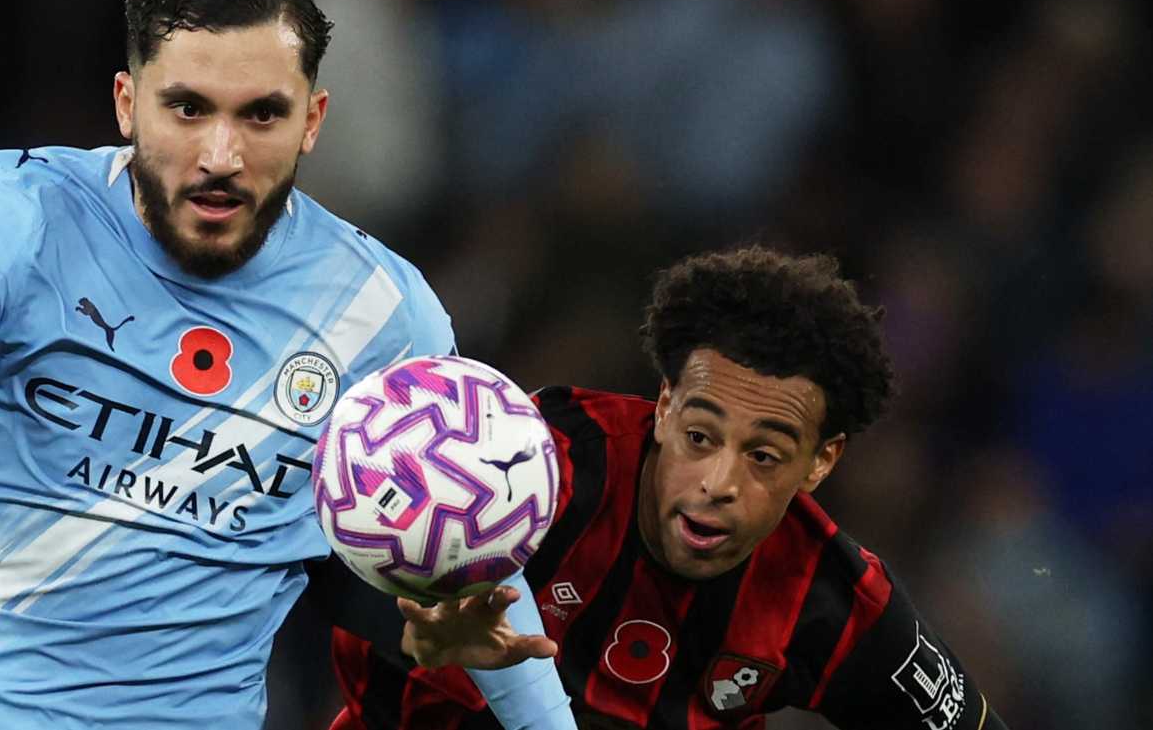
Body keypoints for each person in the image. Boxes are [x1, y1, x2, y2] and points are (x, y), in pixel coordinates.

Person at [0, 0, 573, 730]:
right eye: (188, 108)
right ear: (128, 104)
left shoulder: (381, 311)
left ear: (313, 119)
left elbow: (479, 534)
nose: (221, 155)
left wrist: (481, 653)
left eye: (262, 115)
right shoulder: (11, 212)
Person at [331, 247, 1009, 729]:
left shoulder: (828, 597)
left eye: (765, 456)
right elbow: (319, 560)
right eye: (700, 437)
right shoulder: (530, 469)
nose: (718, 483)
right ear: (663, 406)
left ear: (820, 462)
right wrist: (410, 631)